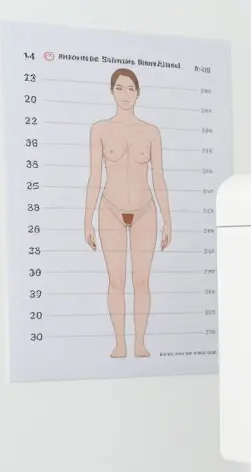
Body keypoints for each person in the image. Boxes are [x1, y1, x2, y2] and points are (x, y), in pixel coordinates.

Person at [84, 67, 172, 359]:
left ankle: (140, 342)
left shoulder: (150, 132)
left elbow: (158, 178)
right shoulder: (99, 129)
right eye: (120, 88)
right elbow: (94, 177)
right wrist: (87, 221)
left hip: (146, 211)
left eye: (131, 88)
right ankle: (120, 342)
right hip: (109, 210)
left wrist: (168, 220)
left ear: (139, 92)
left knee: (142, 280)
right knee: (116, 281)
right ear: (111, 92)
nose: (125, 95)